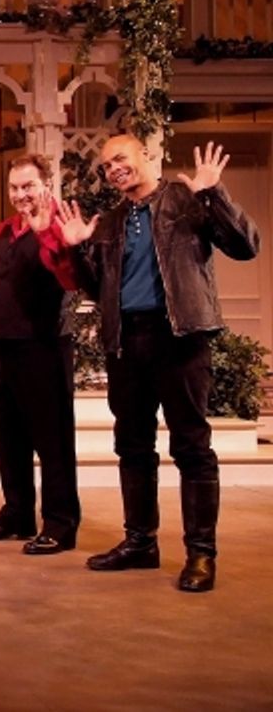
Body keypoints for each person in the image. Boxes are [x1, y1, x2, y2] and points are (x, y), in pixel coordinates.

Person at [57, 137, 259, 592]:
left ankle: (201, 555)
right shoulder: (109, 222)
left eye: (121, 159)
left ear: (147, 157)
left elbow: (246, 245)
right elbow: (97, 289)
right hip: (128, 343)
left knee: (191, 447)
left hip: (181, 336)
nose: (114, 169)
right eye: (107, 165)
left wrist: (212, 192)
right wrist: (76, 250)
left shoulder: (187, 200)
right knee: (132, 446)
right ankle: (140, 543)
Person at [0, 153, 81, 555]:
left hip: (45, 346)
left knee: (52, 440)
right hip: (4, 347)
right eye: (14, 188)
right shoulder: (5, 231)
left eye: (28, 186)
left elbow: (70, 277)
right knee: (9, 437)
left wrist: (46, 235)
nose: (20, 195)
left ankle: (60, 522)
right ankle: (19, 512)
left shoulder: (59, 225)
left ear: (46, 185)